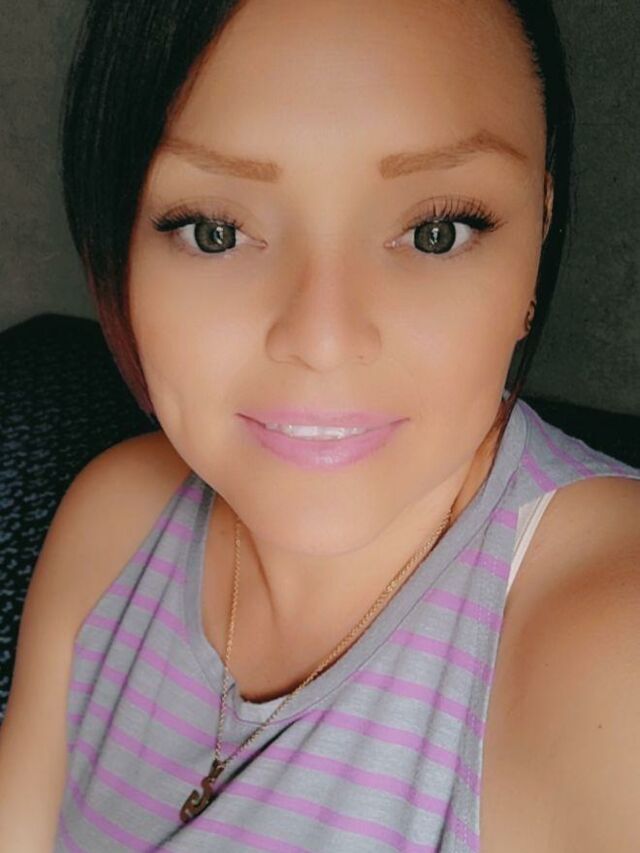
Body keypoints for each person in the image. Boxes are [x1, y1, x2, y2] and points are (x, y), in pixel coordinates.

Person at [0, 0, 639, 850]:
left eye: (436, 231)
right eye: (216, 231)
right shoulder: (113, 525)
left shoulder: (615, 652)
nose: (322, 339)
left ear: (538, 233)